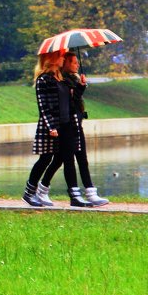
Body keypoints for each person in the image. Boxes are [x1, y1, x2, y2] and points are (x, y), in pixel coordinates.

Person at [23, 51, 93, 208]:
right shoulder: (43, 80)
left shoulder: (60, 79)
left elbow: (70, 102)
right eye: (61, 56)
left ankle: (50, 192)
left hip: (64, 126)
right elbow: (43, 106)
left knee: (60, 158)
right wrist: (51, 127)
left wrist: (81, 87)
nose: (63, 59)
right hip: (51, 127)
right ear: (53, 59)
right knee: (45, 159)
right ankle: (29, 192)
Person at [63, 52, 109, 206]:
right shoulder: (63, 80)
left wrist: (81, 85)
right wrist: (80, 88)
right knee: (68, 160)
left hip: (77, 123)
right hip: (67, 125)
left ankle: (90, 192)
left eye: (77, 62)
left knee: (82, 159)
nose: (77, 64)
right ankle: (74, 195)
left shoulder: (73, 79)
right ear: (66, 63)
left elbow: (76, 100)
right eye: (74, 62)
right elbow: (70, 101)